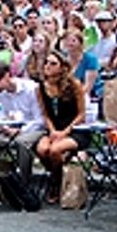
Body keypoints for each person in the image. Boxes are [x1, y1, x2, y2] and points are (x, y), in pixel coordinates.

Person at [34, 50, 89, 204]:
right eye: (47, 62)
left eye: (53, 63)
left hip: (75, 129)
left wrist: (66, 131)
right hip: (54, 129)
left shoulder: (74, 85)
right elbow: (45, 114)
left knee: (55, 150)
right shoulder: (40, 88)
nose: (48, 66)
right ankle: (57, 173)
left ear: (62, 67)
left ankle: (55, 183)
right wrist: (52, 130)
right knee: (41, 149)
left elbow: (81, 114)